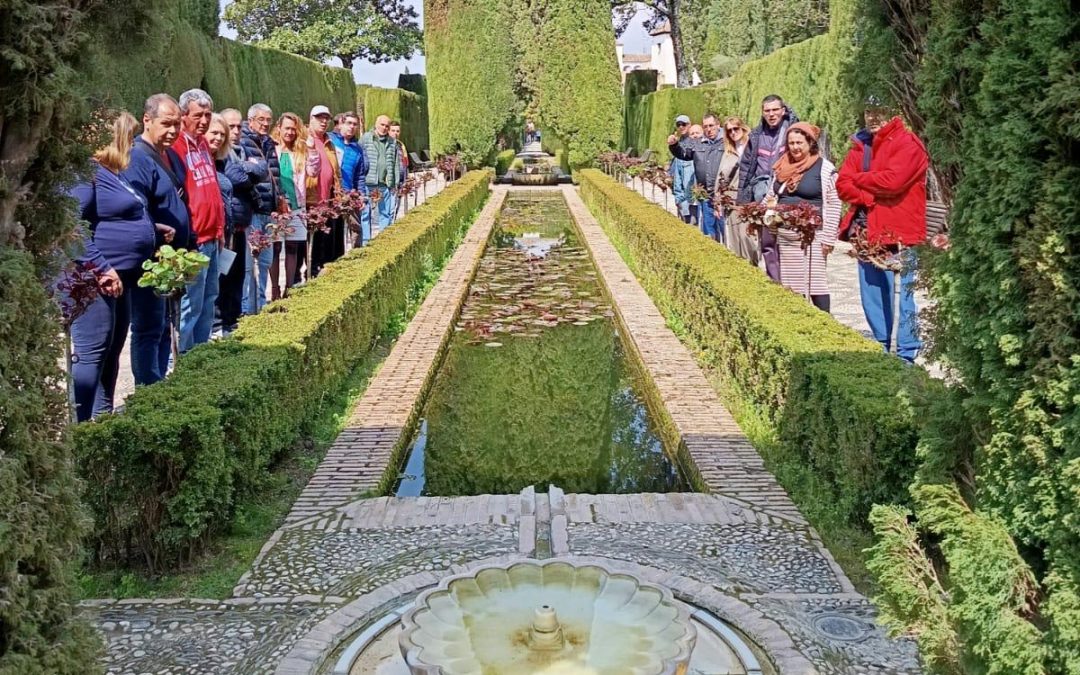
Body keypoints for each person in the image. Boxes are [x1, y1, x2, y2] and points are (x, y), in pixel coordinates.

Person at [68, 112, 161, 421]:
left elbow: (117, 216)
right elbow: (72, 226)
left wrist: (154, 230)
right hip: (93, 281)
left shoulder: (112, 172)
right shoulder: (85, 172)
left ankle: (102, 420)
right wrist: (100, 266)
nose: (132, 146)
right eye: (128, 138)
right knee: (92, 354)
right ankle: (81, 428)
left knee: (111, 353)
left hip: (119, 279)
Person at [836, 100, 929, 362]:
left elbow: (893, 182)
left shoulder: (907, 143)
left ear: (894, 113)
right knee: (872, 297)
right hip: (865, 232)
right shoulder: (861, 144)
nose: (874, 117)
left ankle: (905, 355)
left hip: (895, 235)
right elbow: (842, 184)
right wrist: (866, 197)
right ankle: (882, 347)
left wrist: (860, 179)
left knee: (899, 297)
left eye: (880, 111)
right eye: (869, 112)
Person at [124, 92, 189, 380]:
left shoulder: (172, 155)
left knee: (165, 324)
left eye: (177, 124)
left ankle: (161, 381)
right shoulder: (137, 157)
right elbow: (134, 207)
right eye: (166, 124)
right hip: (151, 260)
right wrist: (154, 231)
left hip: (173, 259)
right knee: (148, 327)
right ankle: (148, 388)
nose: (173, 130)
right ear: (146, 121)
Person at [173, 88, 225, 352]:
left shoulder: (203, 144)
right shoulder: (176, 146)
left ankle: (200, 354)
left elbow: (211, 187)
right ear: (183, 115)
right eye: (198, 115)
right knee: (190, 304)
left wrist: (220, 228)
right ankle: (181, 357)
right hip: (195, 238)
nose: (204, 121)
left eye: (207, 115)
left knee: (209, 299)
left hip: (213, 235)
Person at [767, 122, 840, 312]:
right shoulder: (782, 166)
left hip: (813, 236)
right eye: (791, 143)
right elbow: (771, 195)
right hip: (786, 237)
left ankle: (824, 324)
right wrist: (767, 213)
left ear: (810, 143)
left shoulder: (824, 168)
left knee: (816, 284)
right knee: (792, 286)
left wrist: (829, 238)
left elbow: (834, 202)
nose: (795, 147)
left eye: (799, 142)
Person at [211, 113, 266, 334]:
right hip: (223, 228)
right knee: (219, 280)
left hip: (239, 225)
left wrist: (247, 169)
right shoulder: (218, 156)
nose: (235, 131)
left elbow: (261, 170)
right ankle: (217, 325)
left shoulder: (241, 149)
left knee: (236, 278)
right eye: (228, 127)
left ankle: (230, 322)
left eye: (237, 127)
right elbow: (237, 177)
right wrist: (247, 168)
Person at [738, 95, 799, 281]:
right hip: (763, 195)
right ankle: (775, 282)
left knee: (787, 241)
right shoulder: (756, 136)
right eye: (767, 111)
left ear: (783, 110)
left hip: (787, 194)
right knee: (767, 242)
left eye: (775, 110)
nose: (771, 114)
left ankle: (791, 283)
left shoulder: (794, 132)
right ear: (763, 112)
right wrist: (742, 200)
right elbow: (746, 168)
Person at [237, 103, 281, 307]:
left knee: (264, 262)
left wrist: (280, 198)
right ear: (251, 120)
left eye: (268, 120)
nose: (265, 124)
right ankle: (248, 308)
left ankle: (260, 305)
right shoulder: (243, 142)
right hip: (253, 209)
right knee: (249, 264)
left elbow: (275, 175)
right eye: (261, 120)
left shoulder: (269, 143)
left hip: (268, 210)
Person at [667, 113, 725, 242]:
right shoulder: (699, 144)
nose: (708, 129)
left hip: (723, 197)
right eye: (706, 126)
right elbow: (683, 154)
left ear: (718, 125)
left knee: (726, 233)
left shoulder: (726, 143)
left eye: (711, 126)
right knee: (709, 234)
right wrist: (674, 145)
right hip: (705, 195)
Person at [272, 112, 311, 293]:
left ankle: (289, 287)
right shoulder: (272, 149)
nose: (290, 132)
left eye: (293, 129)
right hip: (276, 207)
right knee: (275, 247)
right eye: (286, 128)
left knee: (293, 246)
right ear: (279, 128)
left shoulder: (300, 151)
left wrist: (314, 151)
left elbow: (313, 170)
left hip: (296, 206)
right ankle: (274, 288)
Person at [306, 104, 344, 277]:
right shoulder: (304, 140)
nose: (323, 122)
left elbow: (336, 171)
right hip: (311, 200)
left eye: (326, 118)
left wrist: (338, 192)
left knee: (326, 243)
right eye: (319, 118)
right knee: (312, 243)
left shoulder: (328, 142)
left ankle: (320, 272)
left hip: (328, 200)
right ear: (311, 119)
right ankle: (310, 274)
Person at [714, 116, 757, 265]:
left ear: (742, 128)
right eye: (729, 130)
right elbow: (720, 177)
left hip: (750, 201)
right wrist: (717, 200)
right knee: (734, 240)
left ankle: (752, 269)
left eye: (735, 128)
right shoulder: (728, 152)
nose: (733, 132)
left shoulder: (753, 146)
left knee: (748, 239)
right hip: (731, 201)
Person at [329, 111, 369, 246]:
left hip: (350, 193)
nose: (351, 127)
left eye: (354, 124)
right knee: (334, 232)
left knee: (356, 228)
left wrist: (361, 196)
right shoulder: (330, 141)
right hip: (332, 194)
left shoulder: (357, 149)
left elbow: (360, 176)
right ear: (341, 124)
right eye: (349, 123)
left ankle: (356, 258)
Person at [361, 115, 404, 235]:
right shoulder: (366, 138)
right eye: (382, 125)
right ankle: (366, 243)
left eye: (387, 126)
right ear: (376, 124)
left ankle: (382, 241)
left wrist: (394, 183)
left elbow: (395, 163)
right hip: (368, 183)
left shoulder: (392, 142)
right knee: (365, 214)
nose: (384, 128)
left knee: (385, 214)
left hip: (384, 184)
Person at [669, 115, 696, 225]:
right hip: (680, 187)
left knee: (691, 219)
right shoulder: (679, 140)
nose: (681, 127)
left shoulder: (693, 141)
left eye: (684, 124)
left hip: (690, 190)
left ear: (689, 125)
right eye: (678, 125)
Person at [388, 120, 409, 221]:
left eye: (397, 131)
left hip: (402, 180)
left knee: (397, 206)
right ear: (388, 131)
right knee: (390, 208)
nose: (395, 133)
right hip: (391, 182)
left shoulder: (401, 145)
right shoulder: (386, 145)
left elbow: (405, 163)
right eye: (393, 130)